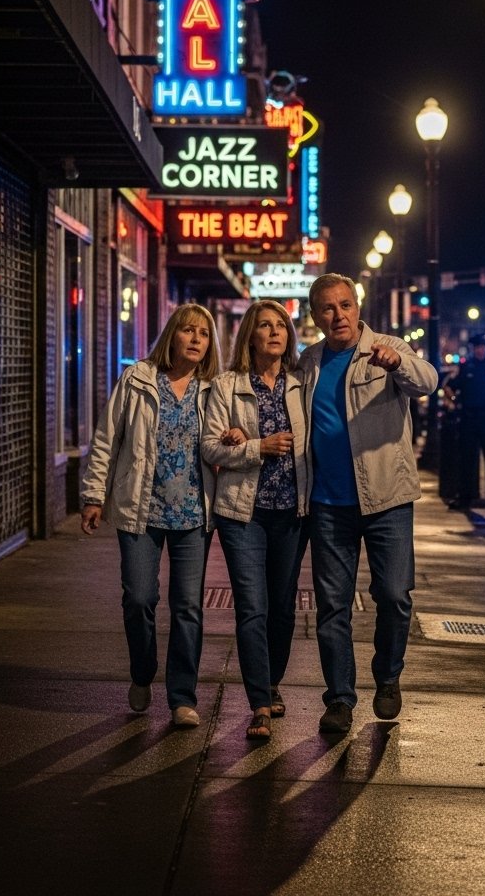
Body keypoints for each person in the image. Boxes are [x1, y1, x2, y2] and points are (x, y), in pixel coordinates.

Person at [298, 273, 439, 734]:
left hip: (387, 498)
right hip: (328, 504)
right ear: (315, 315)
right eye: (327, 308)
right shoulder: (309, 361)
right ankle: (339, 698)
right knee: (332, 606)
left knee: (394, 596)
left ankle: (388, 676)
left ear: (357, 308)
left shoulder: (388, 348)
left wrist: (397, 363)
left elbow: (427, 380)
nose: (338, 315)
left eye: (345, 305)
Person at [79, 303, 220, 728]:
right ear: (171, 336)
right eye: (188, 331)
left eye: (204, 334)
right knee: (139, 598)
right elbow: (107, 438)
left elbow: (227, 437)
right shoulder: (138, 379)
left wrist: (236, 436)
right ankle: (142, 671)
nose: (196, 339)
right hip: (140, 508)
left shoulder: (213, 389)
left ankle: (182, 697)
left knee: (188, 607)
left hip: (193, 515)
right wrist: (93, 494)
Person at [201, 299, 309, 741]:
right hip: (242, 513)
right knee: (252, 607)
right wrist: (255, 447)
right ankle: (259, 703)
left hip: (292, 512)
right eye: (264, 325)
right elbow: (209, 446)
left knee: (282, 606)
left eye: (280, 325)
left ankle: (272, 679)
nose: (274, 331)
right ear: (250, 335)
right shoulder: (227, 385)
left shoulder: (302, 383)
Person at [443, 333, 485, 513]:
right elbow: (448, 386)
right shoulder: (466, 367)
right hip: (469, 419)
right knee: (466, 461)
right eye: (478, 347)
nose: (481, 350)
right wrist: (456, 401)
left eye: (484, 347)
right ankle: (464, 498)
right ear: (473, 348)